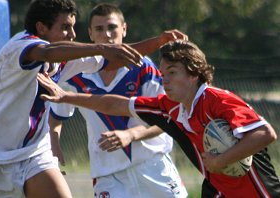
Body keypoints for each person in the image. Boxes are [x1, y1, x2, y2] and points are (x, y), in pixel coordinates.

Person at [38, 39, 280, 197]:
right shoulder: (170, 107)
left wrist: (221, 160)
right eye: (163, 74)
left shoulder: (216, 99)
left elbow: (265, 133)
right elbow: (115, 103)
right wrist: (66, 97)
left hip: (259, 192)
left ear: (194, 74)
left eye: (172, 73)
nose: (164, 80)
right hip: (220, 190)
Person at [0, 0, 164, 197]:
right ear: (41, 28)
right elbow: (46, 53)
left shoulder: (62, 59)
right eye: (65, 27)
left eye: (73, 27)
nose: (73, 35)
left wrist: (160, 41)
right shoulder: (19, 46)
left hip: (33, 154)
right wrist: (100, 48)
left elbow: (116, 58)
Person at [49, 3, 188, 198]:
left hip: (153, 167)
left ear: (124, 29)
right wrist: (53, 148)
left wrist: (131, 135)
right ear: (90, 34)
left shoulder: (144, 68)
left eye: (112, 27)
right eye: (99, 29)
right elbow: (55, 119)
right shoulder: (74, 74)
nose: (107, 35)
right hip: (108, 175)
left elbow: (167, 118)